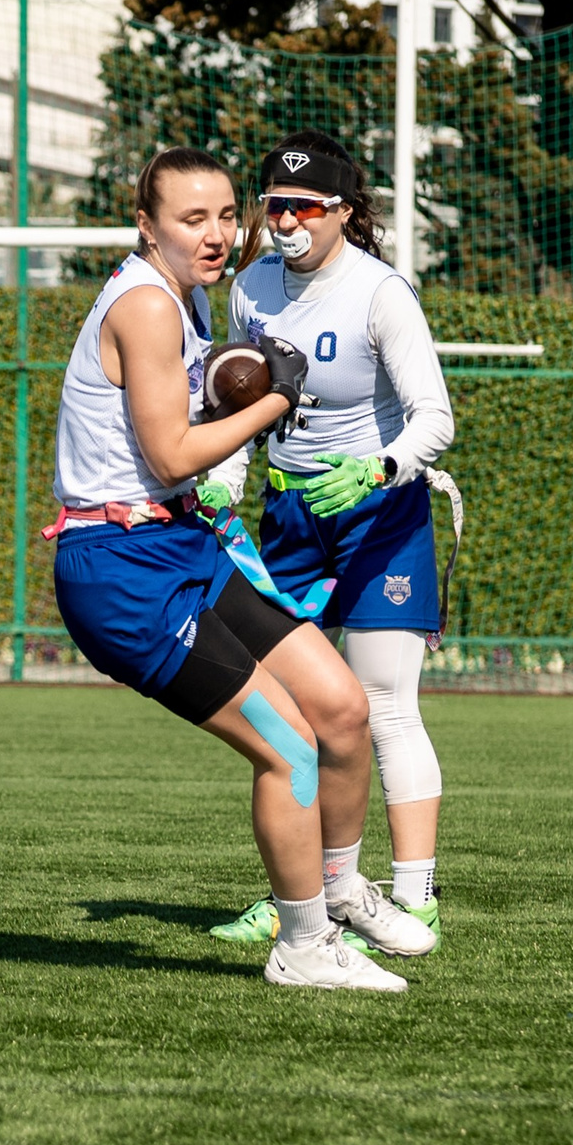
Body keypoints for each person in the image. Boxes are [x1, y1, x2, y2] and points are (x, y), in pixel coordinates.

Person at [49, 146, 430, 992]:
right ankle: (301, 946)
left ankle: (338, 892)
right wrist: (273, 401)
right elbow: (172, 451)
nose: (218, 234)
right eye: (193, 219)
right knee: (290, 750)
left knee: (339, 706)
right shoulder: (149, 305)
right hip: (119, 571)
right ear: (146, 226)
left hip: (178, 543)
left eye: (227, 214)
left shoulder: (187, 295)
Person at [207, 132, 454, 949]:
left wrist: (380, 468)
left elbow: (435, 418)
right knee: (290, 713)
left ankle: (414, 895)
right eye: (274, 204)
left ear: (343, 212)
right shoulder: (250, 290)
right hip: (290, 519)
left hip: (379, 514)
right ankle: (303, 898)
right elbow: (237, 406)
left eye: (304, 207)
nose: (285, 221)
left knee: (381, 707)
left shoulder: (381, 293)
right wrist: (229, 475)